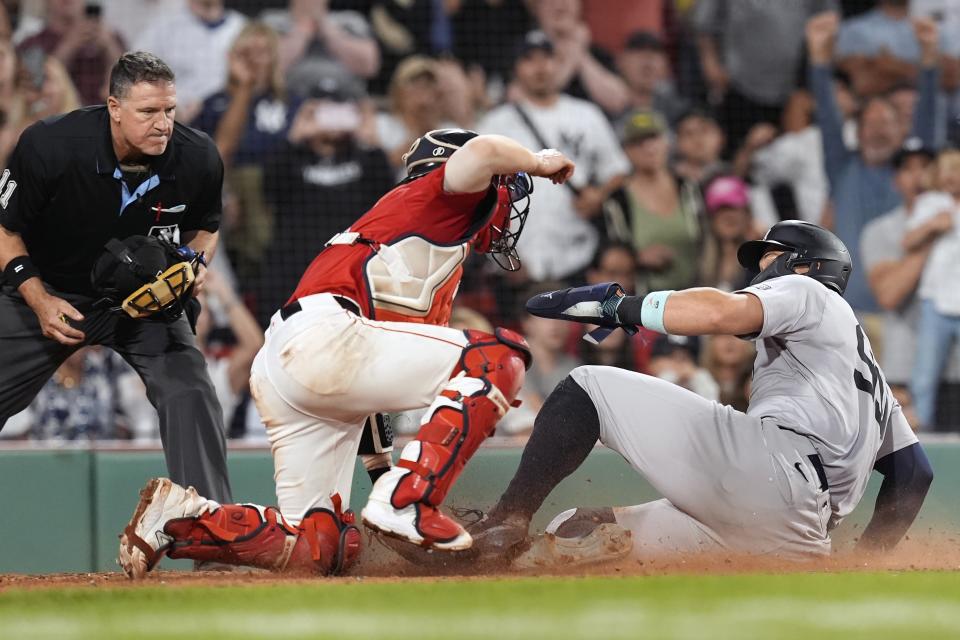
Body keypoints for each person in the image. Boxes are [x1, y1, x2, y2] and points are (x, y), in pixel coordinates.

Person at [116, 128, 577, 578]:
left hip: (296, 364)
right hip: (325, 337)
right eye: (502, 187)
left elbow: (372, 381)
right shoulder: (437, 197)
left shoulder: (424, 244)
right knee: (501, 356)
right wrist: (538, 162)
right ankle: (410, 500)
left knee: (322, 546)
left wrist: (380, 471)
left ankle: (180, 519)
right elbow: (485, 150)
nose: (505, 201)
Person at [470, 220, 932, 566]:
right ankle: (491, 559)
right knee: (573, 531)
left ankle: (504, 521)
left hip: (775, 472)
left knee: (587, 385)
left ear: (809, 265)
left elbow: (719, 314)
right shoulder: (864, 371)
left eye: (772, 256)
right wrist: (867, 561)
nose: (761, 269)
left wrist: (620, 306)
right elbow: (913, 473)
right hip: (799, 536)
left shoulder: (810, 292)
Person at [0, 52, 232, 502]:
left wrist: (195, 263)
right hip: (50, 292)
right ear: (114, 108)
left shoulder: (198, 155)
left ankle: (213, 528)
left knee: (191, 390)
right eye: (148, 111)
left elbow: (208, 226)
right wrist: (39, 299)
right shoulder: (50, 145)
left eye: (169, 110)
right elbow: (5, 231)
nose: (163, 123)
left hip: (141, 304)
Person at [806, 10, 939, 316]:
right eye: (871, 122)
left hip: (903, 310)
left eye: (887, 122)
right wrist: (819, 58)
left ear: (901, 131)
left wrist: (930, 59)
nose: (879, 128)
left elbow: (928, 124)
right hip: (848, 312)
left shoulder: (911, 174)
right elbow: (828, 117)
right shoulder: (841, 168)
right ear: (859, 132)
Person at [477, 30, 629, 282]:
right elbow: (478, 189)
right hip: (515, 259)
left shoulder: (585, 114)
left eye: (547, 58)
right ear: (516, 69)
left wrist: (598, 195)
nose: (540, 67)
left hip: (578, 252)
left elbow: (618, 170)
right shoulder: (496, 123)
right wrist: (500, 254)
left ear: (558, 65)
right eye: (529, 59)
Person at [861, 140, 960, 429]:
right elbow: (889, 295)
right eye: (907, 169)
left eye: (925, 166)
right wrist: (931, 233)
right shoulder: (880, 230)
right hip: (904, 372)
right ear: (896, 181)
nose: (918, 176)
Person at [693, 0, 836, 151]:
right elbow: (704, 25)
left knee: (795, 155)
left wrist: (824, 79)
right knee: (741, 153)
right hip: (740, 85)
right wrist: (710, 63)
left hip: (796, 90)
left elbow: (829, 21)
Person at [603, 110, 702, 293]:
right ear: (626, 150)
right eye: (638, 143)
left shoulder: (688, 188)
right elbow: (610, 257)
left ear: (667, 142)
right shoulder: (618, 201)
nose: (649, 148)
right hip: (646, 302)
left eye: (654, 138)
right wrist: (636, 258)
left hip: (698, 293)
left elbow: (709, 239)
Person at [901, 149, 960, 428]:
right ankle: (918, 433)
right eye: (947, 168)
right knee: (924, 375)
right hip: (935, 303)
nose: (952, 175)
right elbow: (908, 241)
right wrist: (933, 225)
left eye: (957, 168)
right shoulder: (930, 202)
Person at [134, 0, 247, 122]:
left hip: (232, 117)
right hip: (178, 121)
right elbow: (133, 73)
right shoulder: (163, 27)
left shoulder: (241, 27)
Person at [17, 0, 125, 105]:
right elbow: (33, 90)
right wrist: (68, 46)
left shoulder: (112, 38)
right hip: (58, 119)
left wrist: (110, 48)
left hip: (106, 117)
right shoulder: (32, 43)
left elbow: (130, 84)